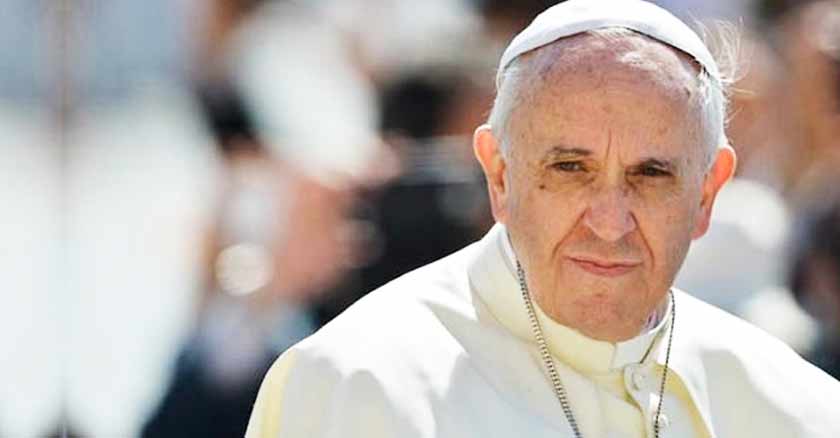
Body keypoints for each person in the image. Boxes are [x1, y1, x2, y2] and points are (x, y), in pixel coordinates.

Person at [246, 1, 840, 437]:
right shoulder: (360, 386)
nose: (610, 222)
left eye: (651, 175)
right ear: (499, 175)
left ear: (708, 193)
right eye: (569, 169)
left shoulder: (798, 410)